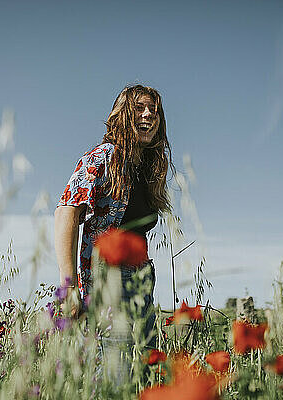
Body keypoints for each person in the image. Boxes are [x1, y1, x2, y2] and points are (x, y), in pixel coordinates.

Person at [53, 84, 175, 360]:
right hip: (108, 276)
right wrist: (69, 286)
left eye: (154, 111)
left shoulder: (148, 167)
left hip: (142, 278)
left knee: (142, 371)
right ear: (123, 115)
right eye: (139, 108)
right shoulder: (103, 158)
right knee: (114, 371)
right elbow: (66, 212)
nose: (148, 115)